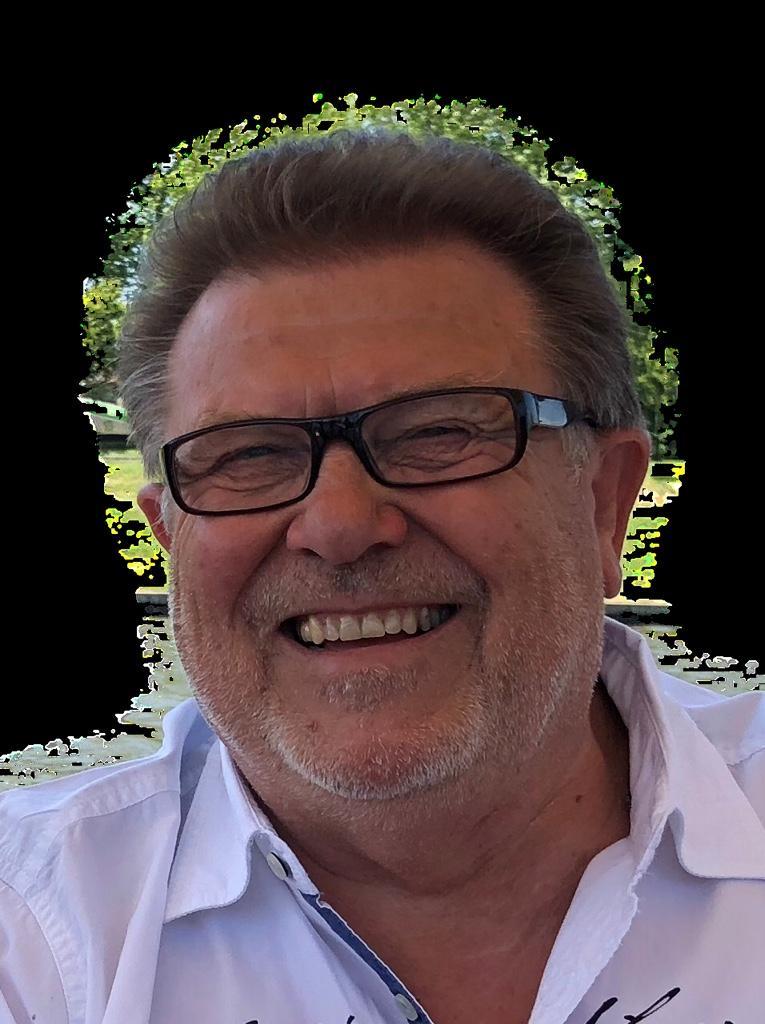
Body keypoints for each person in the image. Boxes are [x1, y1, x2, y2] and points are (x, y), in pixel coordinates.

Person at [1, 128, 762, 1024]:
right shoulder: (31, 935)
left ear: (603, 501)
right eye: (247, 455)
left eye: (438, 432)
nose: (338, 527)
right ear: (171, 538)